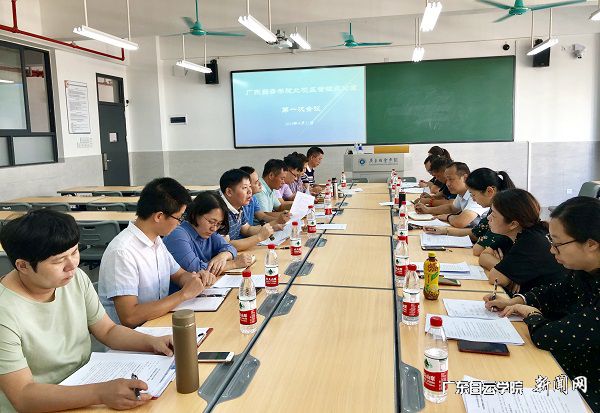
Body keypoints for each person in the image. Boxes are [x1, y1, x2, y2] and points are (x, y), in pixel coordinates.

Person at [0, 210, 174, 412]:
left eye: (74, 252)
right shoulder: (5, 311)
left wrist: (152, 342)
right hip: (43, 403)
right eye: (58, 261)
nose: (72, 266)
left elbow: (107, 331)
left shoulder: (75, 279)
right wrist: (100, 393)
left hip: (82, 384)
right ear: (23, 266)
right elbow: (23, 396)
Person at [484, 196, 600, 410]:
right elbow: (556, 292)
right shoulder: (584, 270)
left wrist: (531, 314)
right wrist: (514, 301)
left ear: (591, 244)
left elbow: (547, 336)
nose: (551, 250)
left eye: (558, 244)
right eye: (551, 240)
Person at [98, 178, 215, 328]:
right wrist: (183, 295)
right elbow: (130, 317)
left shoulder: (156, 240)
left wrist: (196, 278)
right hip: (134, 335)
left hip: (157, 323)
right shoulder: (122, 252)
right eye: (179, 218)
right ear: (159, 216)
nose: (179, 223)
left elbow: (179, 275)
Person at [479, 188, 567, 294]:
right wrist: (507, 271)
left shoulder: (531, 241)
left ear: (513, 224)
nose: (488, 218)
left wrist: (505, 271)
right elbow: (483, 256)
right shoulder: (513, 233)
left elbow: (495, 277)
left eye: (493, 215)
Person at [424, 168, 515, 256]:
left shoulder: (503, 213)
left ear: (489, 191)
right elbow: (476, 233)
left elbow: (478, 249)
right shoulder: (494, 209)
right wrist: (444, 231)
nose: (473, 199)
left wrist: (486, 254)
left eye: (473, 194)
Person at [164, 191, 253, 276]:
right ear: (195, 214)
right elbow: (195, 269)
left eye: (218, 224)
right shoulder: (177, 234)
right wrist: (234, 264)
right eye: (211, 221)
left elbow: (230, 247)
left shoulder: (210, 233)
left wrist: (223, 256)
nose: (214, 228)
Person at [219, 168, 282, 252]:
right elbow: (227, 245)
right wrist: (259, 237)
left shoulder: (239, 206)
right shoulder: (219, 210)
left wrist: (270, 229)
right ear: (229, 192)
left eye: (250, 186)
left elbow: (247, 229)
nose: (250, 191)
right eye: (245, 187)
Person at [415, 162, 486, 228]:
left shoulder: (476, 194)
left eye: (451, 179)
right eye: (446, 180)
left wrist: (447, 217)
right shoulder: (461, 193)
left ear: (465, 178)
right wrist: (427, 210)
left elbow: (461, 222)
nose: (447, 184)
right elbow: (451, 208)